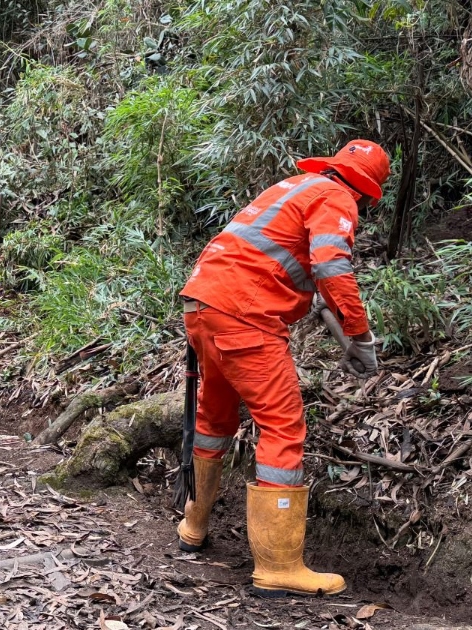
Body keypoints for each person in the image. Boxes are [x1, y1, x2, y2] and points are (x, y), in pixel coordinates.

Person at [176, 140, 390, 597]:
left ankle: (193, 526)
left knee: (215, 419)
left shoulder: (293, 187)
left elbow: (282, 261)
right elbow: (332, 266)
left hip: (202, 305)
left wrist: (314, 303)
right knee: (283, 427)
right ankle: (277, 565)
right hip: (243, 318)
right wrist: (360, 334)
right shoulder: (336, 199)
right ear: (368, 193)